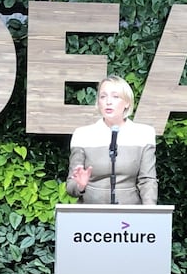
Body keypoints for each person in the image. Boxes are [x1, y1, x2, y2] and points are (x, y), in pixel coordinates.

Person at [66, 75, 157, 204]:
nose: (108, 102)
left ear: (127, 102)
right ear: (98, 102)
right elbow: (71, 186)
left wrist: (150, 214)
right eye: (103, 96)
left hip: (129, 217)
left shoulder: (143, 133)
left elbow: (148, 180)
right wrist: (80, 185)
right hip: (90, 214)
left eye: (115, 96)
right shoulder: (82, 134)